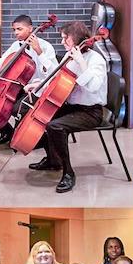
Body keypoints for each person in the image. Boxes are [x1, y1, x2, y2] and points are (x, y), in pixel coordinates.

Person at [27, 20, 108, 193]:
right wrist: (39, 84)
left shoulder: (96, 60)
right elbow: (57, 76)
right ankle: (52, 160)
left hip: (91, 112)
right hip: (73, 106)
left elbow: (93, 86)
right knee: (43, 116)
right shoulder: (69, 55)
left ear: (78, 39)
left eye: (66, 39)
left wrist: (81, 63)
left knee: (55, 126)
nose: (62, 42)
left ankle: (68, 173)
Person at [0, 15, 57, 145]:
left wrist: (38, 51)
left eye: (19, 29)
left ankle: (32, 140)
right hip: (17, 87)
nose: (16, 32)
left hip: (37, 89)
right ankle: (7, 133)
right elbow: (4, 61)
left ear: (30, 29)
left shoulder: (45, 47)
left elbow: (52, 72)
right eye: (14, 29)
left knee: (17, 108)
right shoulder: (16, 45)